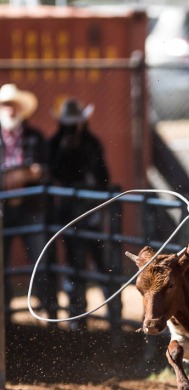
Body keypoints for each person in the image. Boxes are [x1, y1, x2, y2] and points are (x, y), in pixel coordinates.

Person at [48, 98, 110, 324]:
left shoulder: (91, 143)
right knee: (75, 264)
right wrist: (65, 152)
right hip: (69, 214)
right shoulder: (56, 143)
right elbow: (53, 172)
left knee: (101, 262)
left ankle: (113, 316)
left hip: (91, 210)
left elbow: (104, 175)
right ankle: (77, 318)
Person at [0, 83, 55, 315]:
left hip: (30, 206)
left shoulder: (35, 137)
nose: (10, 110)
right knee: (2, 265)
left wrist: (30, 173)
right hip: (3, 209)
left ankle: (46, 311)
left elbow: (47, 170)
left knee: (39, 262)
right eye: (6, 105)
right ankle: (5, 315)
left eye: (14, 105)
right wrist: (22, 173)